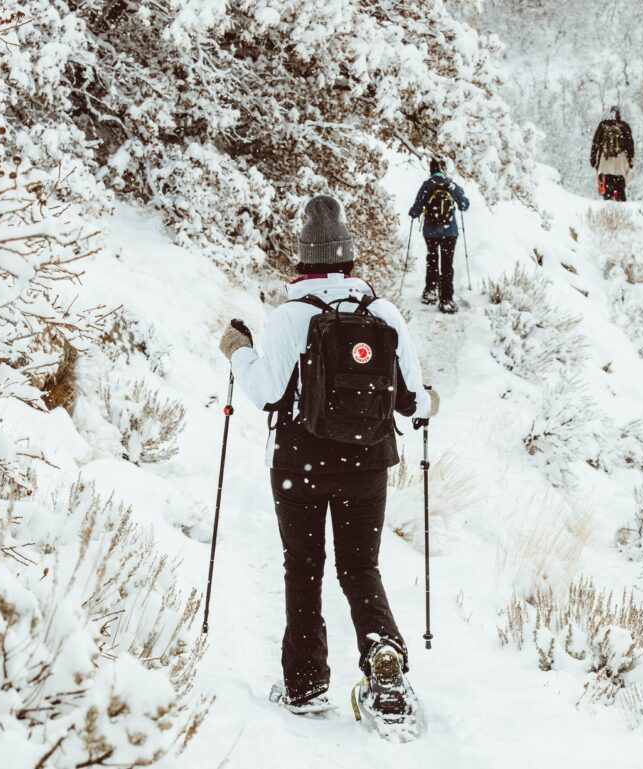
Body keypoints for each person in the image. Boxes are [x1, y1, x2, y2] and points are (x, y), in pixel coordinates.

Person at [218, 195, 439, 721]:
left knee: (304, 567)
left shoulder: (290, 316)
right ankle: (383, 653)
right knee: (360, 567)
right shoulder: (383, 313)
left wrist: (237, 350)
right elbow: (412, 402)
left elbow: (268, 394)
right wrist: (432, 401)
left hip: (299, 464)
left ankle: (306, 684)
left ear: (302, 258)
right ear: (349, 256)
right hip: (367, 465)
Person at [408, 158, 470, 314]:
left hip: (431, 232)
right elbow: (464, 205)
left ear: (431, 169)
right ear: (444, 169)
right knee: (447, 264)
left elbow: (416, 209)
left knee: (432, 259)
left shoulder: (427, 184)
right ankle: (446, 299)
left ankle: (430, 291)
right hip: (450, 232)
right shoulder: (451, 185)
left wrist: (413, 212)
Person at [590, 107, 635, 202]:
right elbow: (630, 144)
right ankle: (621, 210)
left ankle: (608, 209)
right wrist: (631, 160)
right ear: (619, 114)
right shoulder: (624, 126)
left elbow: (595, 143)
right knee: (620, 189)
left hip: (605, 163)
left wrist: (593, 159)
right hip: (619, 164)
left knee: (607, 191)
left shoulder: (603, 125)